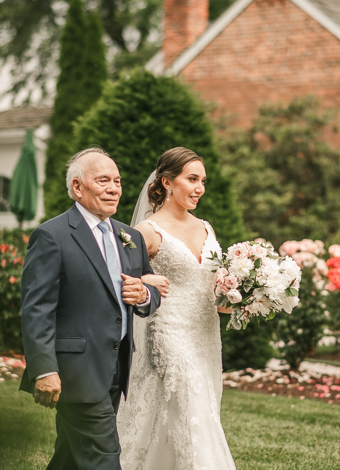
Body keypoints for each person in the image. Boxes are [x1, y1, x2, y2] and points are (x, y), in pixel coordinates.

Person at [19, 147, 166, 470]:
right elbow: (37, 309)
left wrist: (143, 294)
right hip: (75, 371)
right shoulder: (52, 236)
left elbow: (149, 290)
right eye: (103, 180)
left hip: (116, 366)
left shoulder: (129, 236)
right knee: (103, 458)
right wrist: (45, 370)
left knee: (70, 458)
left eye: (117, 181)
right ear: (77, 188)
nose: (114, 188)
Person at [117, 147, 237, 470]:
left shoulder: (207, 229)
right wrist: (145, 283)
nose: (199, 188)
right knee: (191, 407)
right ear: (167, 183)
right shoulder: (147, 231)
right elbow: (125, 282)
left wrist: (241, 296)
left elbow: (214, 292)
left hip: (205, 333)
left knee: (189, 410)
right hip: (169, 332)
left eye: (203, 181)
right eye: (192, 179)